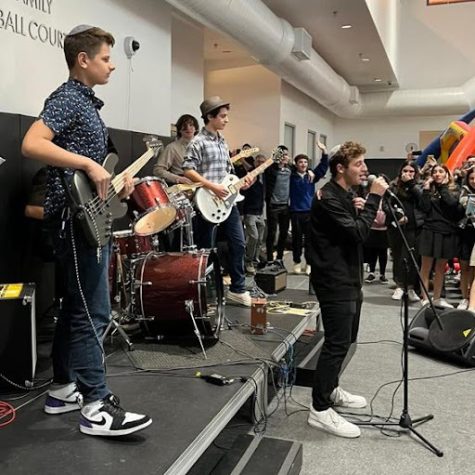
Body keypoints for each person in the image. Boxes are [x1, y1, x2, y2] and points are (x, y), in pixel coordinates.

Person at [21, 25, 152, 437]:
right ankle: (96, 406)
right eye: (106, 58)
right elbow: (31, 143)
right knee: (92, 312)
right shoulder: (67, 99)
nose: (112, 65)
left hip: (85, 218)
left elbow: (92, 174)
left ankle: (63, 389)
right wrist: (87, 163)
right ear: (83, 60)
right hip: (74, 224)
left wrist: (115, 180)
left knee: (75, 310)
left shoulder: (86, 105)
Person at [307, 141, 388, 438]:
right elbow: (357, 234)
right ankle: (319, 410)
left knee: (348, 339)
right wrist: (372, 201)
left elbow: (350, 230)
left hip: (350, 276)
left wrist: (360, 206)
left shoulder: (346, 194)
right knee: (337, 343)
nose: (365, 169)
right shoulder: (327, 196)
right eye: (359, 164)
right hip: (333, 279)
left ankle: (330, 389)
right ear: (341, 168)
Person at [182, 96, 253, 306]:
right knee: (206, 249)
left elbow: (227, 174)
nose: (226, 120)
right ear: (210, 117)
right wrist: (212, 186)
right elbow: (187, 169)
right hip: (206, 202)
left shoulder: (223, 141)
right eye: (222, 116)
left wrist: (243, 183)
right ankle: (203, 291)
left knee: (239, 243)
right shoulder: (198, 141)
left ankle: (238, 289)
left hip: (227, 202)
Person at [418, 164, 464, 307]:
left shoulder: (454, 190)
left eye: (440, 171)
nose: (437, 174)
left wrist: (443, 188)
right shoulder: (428, 190)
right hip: (429, 230)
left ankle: (437, 298)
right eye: (435, 172)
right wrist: (426, 190)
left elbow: (451, 204)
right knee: (425, 267)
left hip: (447, 231)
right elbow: (424, 208)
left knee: (440, 267)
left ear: (447, 174)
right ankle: (425, 298)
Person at [385, 161, 423, 302]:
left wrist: (412, 185)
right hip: (397, 226)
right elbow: (386, 205)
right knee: (398, 256)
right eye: (405, 171)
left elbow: (423, 203)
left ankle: (411, 287)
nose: (408, 173)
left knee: (411, 257)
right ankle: (400, 285)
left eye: (411, 171)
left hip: (414, 227)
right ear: (400, 172)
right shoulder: (393, 186)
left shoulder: (419, 186)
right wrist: (398, 216)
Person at [289, 142, 328, 274]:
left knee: (310, 240)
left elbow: (323, 168)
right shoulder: (291, 176)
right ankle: (297, 262)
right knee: (297, 239)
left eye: (305, 162)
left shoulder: (311, 176)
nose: (303, 164)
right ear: (296, 164)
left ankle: (309, 263)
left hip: (309, 212)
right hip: (295, 212)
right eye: (300, 162)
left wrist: (324, 152)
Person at [152, 113, 198, 185]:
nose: (188, 128)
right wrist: (178, 179)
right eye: (184, 126)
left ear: (196, 128)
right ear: (179, 130)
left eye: (191, 125)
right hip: (184, 187)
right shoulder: (172, 148)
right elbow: (158, 170)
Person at [265, 145, 291, 265]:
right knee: (271, 233)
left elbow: (304, 169)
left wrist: (310, 171)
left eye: (286, 154)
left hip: (285, 206)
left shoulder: (290, 169)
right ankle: (270, 259)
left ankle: (279, 258)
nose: (286, 157)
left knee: (284, 233)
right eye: (283, 154)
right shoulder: (270, 170)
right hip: (273, 206)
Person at [242, 153, 267, 274]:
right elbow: (243, 193)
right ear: (255, 163)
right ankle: (248, 261)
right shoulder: (250, 176)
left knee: (260, 238)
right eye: (258, 162)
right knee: (253, 237)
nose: (260, 164)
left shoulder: (265, 176)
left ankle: (255, 259)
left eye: (263, 162)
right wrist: (242, 212)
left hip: (260, 212)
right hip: (250, 212)